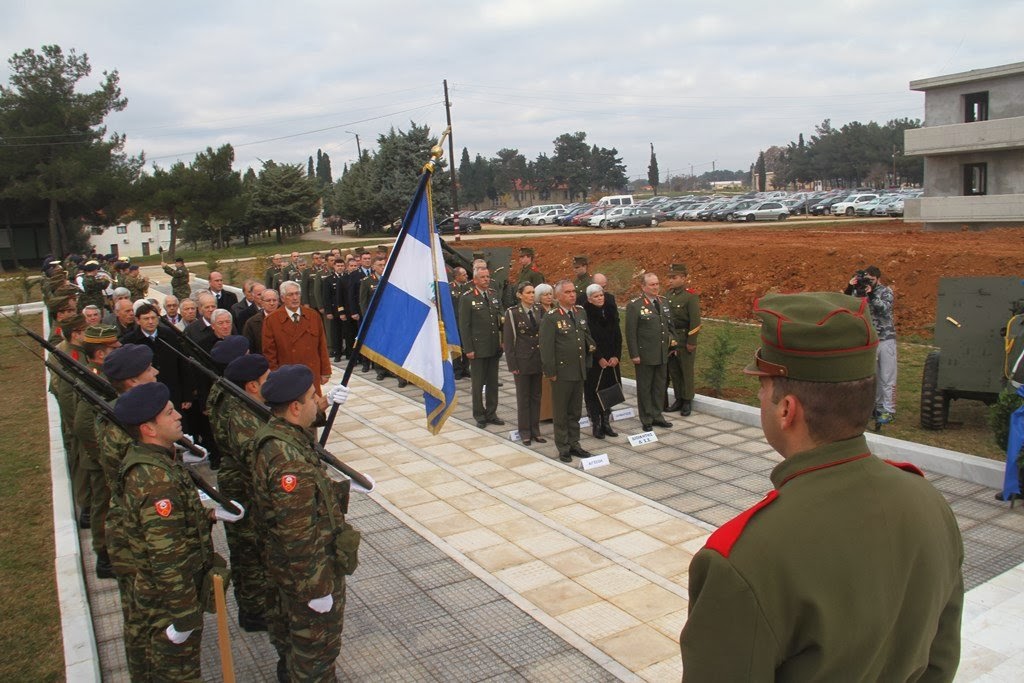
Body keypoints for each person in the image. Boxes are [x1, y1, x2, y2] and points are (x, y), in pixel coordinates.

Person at [679, 291, 964, 681]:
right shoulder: (930, 503)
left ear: (786, 410)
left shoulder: (742, 559)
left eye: (762, 386)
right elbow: (941, 659)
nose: (760, 395)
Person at [117, 381, 242, 682]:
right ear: (149, 428)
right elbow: (166, 558)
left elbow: (169, 527)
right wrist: (184, 617)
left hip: (165, 600)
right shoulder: (157, 481)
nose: (177, 416)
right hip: (167, 607)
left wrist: (210, 513)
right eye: (169, 413)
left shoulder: (158, 461)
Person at [248, 365, 359, 682]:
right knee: (316, 656)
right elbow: (297, 532)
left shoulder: (279, 436)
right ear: (295, 407)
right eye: (313, 397)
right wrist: (317, 589)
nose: (317, 401)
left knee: (293, 646)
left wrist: (326, 406)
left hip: (286, 571)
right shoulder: (288, 462)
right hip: (307, 577)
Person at [209, 353, 272, 632]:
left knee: (248, 549)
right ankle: (254, 611)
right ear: (252, 386)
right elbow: (256, 456)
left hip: (239, 481)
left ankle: (253, 607)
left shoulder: (238, 402)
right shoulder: (242, 415)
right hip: (243, 486)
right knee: (249, 550)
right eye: (266, 379)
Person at [72, 324, 122, 579]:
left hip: (103, 457)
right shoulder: (96, 379)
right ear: (101, 354)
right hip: (100, 460)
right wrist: (104, 455)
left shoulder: (102, 375)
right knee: (104, 507)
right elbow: (82, 424)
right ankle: (104, 557)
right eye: (114, 347)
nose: (119, 348)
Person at [540, 280, 596, 463]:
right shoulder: (551, 317)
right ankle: (563, 446)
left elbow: (585, 336)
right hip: (562, 372)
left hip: (578, 369)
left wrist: (590, 354)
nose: (572, 295)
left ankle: (575, 443)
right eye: (568, 292)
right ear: (558, 297)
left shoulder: (580, 312)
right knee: (561, 412)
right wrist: (551, 371)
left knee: (575, 411)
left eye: (573, 291)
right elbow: (547, 348)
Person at [845, 265, 897, 424]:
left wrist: (872, 294)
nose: (869, 283)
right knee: (871, 375)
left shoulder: (885, 291)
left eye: (872, 280)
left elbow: (884, 309)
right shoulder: (859, 291)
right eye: (867, 280)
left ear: (878, 279)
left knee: (887, 376)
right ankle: (875, 406)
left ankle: (888, 409)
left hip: (886, 338)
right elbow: (847, 304)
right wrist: (850, 287)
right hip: (869, 339)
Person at [625, 272, 677, 432]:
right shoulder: (635, 305)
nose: (655, 287)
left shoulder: (664, 302)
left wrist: (673, 345)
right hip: (645, 354)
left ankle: (657, 415)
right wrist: (634, 354)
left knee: (659, 386)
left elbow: (669, 326)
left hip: (662, 354)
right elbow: (631, 332)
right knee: (645, 387)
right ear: (643, 287)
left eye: (657, 284)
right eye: (652, 284)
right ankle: (646, 418)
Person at [262, 281, 331, 394]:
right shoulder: (272, 320)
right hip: (288, 376)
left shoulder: (313, 316)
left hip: (311, 373)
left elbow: (322, 345)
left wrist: (325, 371)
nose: (295, 298)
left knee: (313, 407)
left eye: (297, 294)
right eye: (290, 295)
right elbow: (269, 353)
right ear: (283, 298)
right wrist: (275, 377)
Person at [459, 267, 505, 429]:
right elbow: (465, 326)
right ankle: (479, 414)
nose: (486, 279)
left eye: (488, 276)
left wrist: (503, 339)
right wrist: (468, 348)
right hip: (477, 348)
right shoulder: (467, 298)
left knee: (492, 383)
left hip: (493, 346)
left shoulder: (493, 295)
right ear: (475, 280)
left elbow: (500, 319)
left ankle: (492, 413)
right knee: (478, 384)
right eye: (483, 277)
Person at [503, 282, 546, 446]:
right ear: (520, 295)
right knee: (524, 398)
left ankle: (535, 430)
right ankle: (525, 432)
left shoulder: (538, 309)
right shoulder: (513, 313)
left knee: (536, 397)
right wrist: (512, 364)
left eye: (533, 292)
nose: (531, 295)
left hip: (537, 360)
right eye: (528, 292)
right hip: (522, 361)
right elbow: (509, 340)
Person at [583, 283, 622, 439]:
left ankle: (607, 423)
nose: (600, 299)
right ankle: (596, 425)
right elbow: (588, 339)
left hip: (611, 359)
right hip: (595, 360)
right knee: (594, 392)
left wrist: (616, 356)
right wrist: (599, 357)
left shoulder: (611, 311)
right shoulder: (585, 314)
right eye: (596, 296)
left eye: (601, 295)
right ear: (589, 299)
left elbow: (617, 336)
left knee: (609, 391)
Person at [664, 263, 702, 416]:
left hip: (684, 338)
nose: (671, 281)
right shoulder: (668, 295)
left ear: (684, 278)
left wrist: (691, 341)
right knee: (674, 370)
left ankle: (687, 400)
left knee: (686, 369)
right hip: (671, 339)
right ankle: (678, 398)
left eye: (674, 277)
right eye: (670, 278)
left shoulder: (690, 296)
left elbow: (695, 321)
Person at [244, 287, 279, 354]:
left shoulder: (286, 319)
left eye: (274, 300)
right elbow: (249, 347)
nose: (272, 303)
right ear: (262, 302)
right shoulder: (252, 323)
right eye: (268, 300)